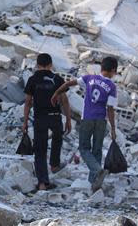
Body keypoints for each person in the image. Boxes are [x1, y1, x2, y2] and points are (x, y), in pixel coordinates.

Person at [51, 56, 118, 192]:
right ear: (112, 70)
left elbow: (69, 83)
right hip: (101, 120)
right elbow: (110, 109)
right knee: (97, 150)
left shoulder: (89, 78)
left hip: (87, 118)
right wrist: (113, 128)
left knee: (83, 148)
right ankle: (94, 182)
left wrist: (56, 93)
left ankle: (97, 172)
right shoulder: (111, 86)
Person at [23, 53, 72, 191]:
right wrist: (68, 119)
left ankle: (43, 183)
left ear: (37, 65)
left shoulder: (32, 79)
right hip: (55, 116)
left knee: (40, 149)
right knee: (57, 140)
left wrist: (25, 122)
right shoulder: (57, 79)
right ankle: (54, 164)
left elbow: (27, 103)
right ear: (51, 65)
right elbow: (64, 101)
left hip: (40, 118)